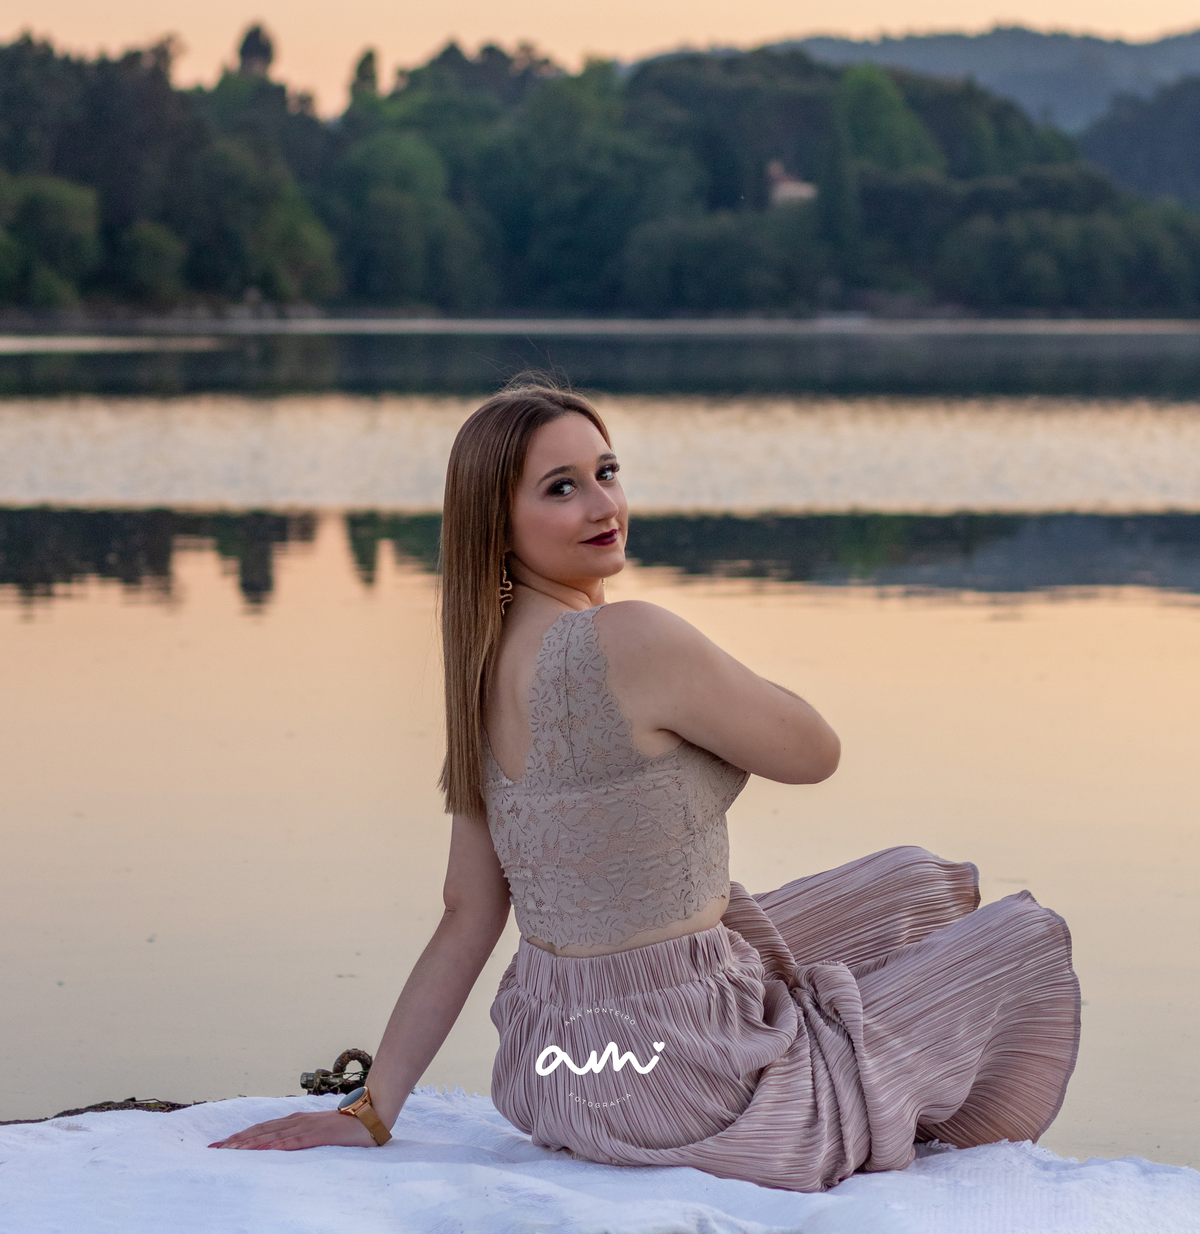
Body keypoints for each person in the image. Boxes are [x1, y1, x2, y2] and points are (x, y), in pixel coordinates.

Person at [215, 383, 1080, 1189]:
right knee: (1026, 940)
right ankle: (875, 1115)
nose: (602, 506)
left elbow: (467, 912)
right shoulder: (632, 640)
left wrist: (374, 1110)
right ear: (496, 522)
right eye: (560, 487)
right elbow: (815, 750)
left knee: (915, 884)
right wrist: (687, 663)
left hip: (561, 1074)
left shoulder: (478, 670)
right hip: (681, 1080)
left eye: (607, 472)